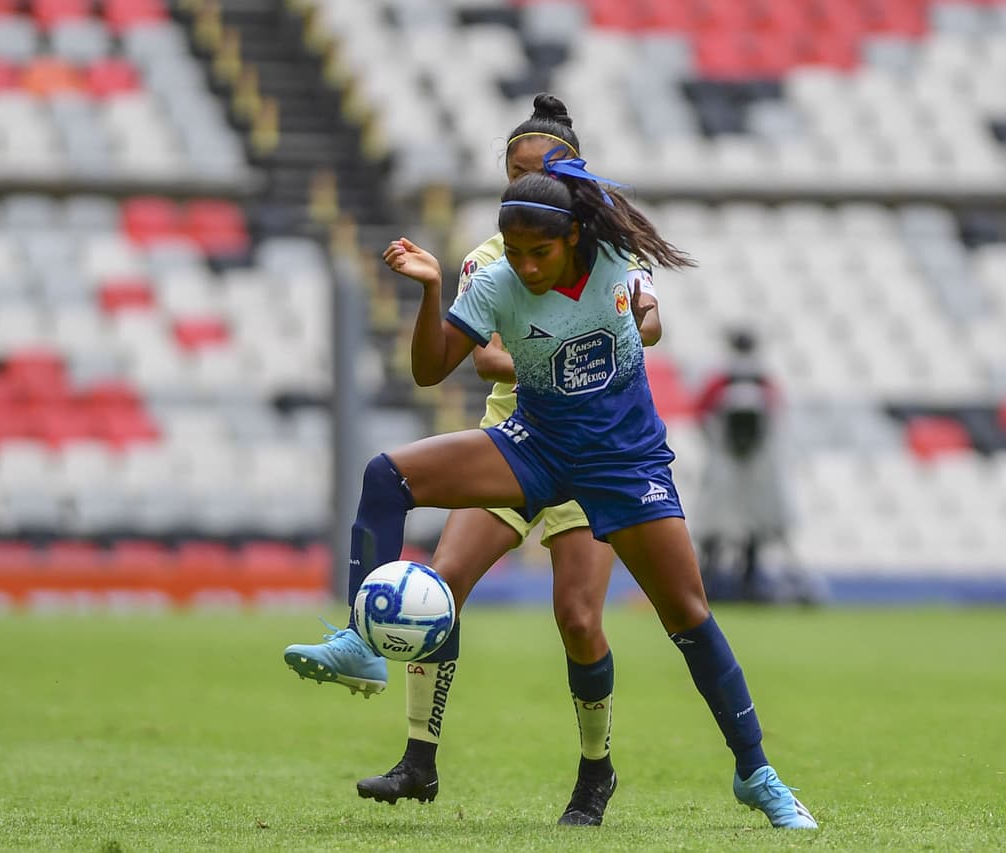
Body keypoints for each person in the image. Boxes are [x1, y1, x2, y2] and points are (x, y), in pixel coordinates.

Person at [289, 155, 817, 829]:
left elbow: (647, 309)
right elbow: (429, 368)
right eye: (515, 251)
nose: (527, 266)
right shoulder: (497, 281)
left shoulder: (616, 261)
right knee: (386, 474)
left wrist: (645, 314)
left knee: (687, 613)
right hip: (533, 446)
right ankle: (366, 642)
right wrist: (428, 291)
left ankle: (756, 773)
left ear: (573, 238)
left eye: (540, 252)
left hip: (624, 462)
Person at [286, 95, 660, 827]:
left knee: (579, 618)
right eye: (511, 172)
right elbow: (480, 358)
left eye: (536, 172)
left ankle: (595, 774)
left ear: (572, 183)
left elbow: (641, 325)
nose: (519, 186)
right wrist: (546, 355)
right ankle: (418, 760)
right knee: (437, 588)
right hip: (514, 441)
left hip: (590, 452)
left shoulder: (605, 246)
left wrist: (606, 333)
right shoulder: (490, 259)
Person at [692, 329, 812, 603]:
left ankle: (713, 582)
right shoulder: (762, 382)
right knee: (741, 526)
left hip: (732, 463)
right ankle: (740, 581)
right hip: (745, 464)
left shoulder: (722, 381)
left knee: (724, 525)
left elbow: (702, 415)